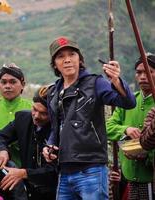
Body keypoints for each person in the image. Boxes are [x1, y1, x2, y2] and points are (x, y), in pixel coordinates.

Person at [43, 36, 136, 199]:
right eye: (60, 56)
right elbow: (55, 130)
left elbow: (128, 102)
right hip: (64, 171)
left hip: (91, 169)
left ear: (80, 59)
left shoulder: (95, 83)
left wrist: (116, 80)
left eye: (72, 54)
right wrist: (49, 146)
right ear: (55, 65)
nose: (67, 60)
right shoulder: (53, 93)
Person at [0, 85, 57, 200]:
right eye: (34, 109)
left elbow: (55, 171)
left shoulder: (60, 130)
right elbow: (0, 137)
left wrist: (23, 173)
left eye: (44, 113)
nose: (36, 116)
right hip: (29, 192)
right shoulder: (23, 119)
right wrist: (2, 151)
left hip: (53, 192)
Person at [106, 53, 155, 200]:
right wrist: (125, 130)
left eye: (148, 72)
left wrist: (147, 154)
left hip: (151, 177)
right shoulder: (128, 101)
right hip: (129, 178)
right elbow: (108, 126)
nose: (142, 77)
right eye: (139, 72)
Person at [0, 63, 32, 166]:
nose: (7, 86)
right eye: (3, 82)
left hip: (26, 171)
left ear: (23, 84)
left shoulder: (33, 109)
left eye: (13, 82)